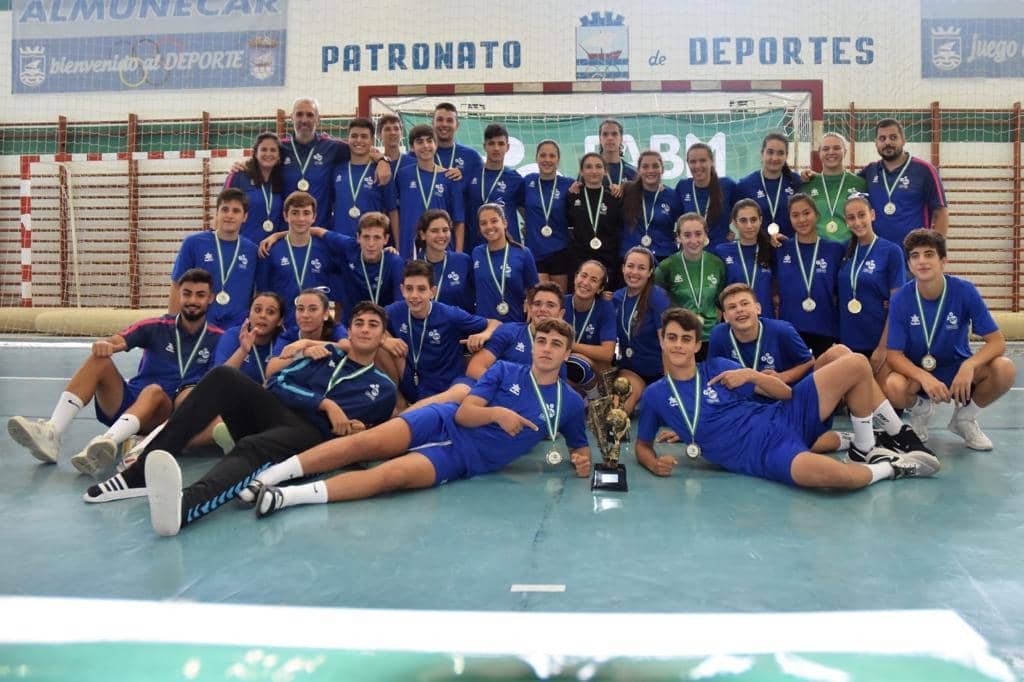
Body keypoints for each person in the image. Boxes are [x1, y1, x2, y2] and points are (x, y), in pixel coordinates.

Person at [238, 318, 591, 519]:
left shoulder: (570, 403)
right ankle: (270, 476)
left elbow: (579, 447)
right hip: (443, 420)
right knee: (364, 443)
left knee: (391, 476)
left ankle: (288, 497)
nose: (545, 348)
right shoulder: (504, 369)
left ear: (567, 353)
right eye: (540, 341)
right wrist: (498, 414)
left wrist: (581, 460)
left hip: (463, 459)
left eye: (555, 344)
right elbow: (467, 415)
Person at [117, 302, 397, 536]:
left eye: (373, 325)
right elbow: (277, 382)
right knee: (223, 376)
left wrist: (356, 429)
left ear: (383, 336)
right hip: (278, 413)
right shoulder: (325, 354)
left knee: (254, 446)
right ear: (348, 330)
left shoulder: (384, 389)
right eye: (359, 323)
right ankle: (139, 471)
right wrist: (323, 403)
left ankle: (184, 506)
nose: (364, 329)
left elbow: (370, 438)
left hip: (312, 439)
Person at [635, 308, 940, 487]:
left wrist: (753, 376)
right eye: (672, 338)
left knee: (856, 363)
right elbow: (642, 446)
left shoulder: (718, 367)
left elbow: (786, 393)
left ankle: (864, 447)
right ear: (661, 340)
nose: (678, 345)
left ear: (696, 346)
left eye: (686, 339)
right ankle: (896, 467)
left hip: (784, 416)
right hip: (763, 454)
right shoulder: (655, 396)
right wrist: (652, 464)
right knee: (838, 479)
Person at [8, 269, 224, 476]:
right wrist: (106, 344)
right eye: (187, 293)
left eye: (200, 295)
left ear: (211, 298)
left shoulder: (219, 337)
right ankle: (52, 432)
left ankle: (107, 442)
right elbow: (118, 340)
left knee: (154, 391)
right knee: (99, 361)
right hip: (128, 403)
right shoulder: (156, 326)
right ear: (179, 294)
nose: (193, 300)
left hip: (164, 413)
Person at [884, 229, 1015, 450]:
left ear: (943, 261)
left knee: (1005, 368)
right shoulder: (900, 299)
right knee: (893, 386)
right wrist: (923, 377)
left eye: (929, 254)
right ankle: (921, 410)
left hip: (956, 369)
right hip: (920, 372)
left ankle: (963, 419)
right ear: (908, 264)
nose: (922, 261)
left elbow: (997, 342)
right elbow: (893, 355)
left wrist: (969, 365)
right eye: (915, 256)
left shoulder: (964, 291)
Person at [384, 260, 498, 404]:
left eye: (421, 289)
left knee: (463, 391)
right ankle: (399, 404)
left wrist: (484, 334)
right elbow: (364, 321)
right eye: (409, 288)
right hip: (412, 382)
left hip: (446, 387)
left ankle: (408, 414)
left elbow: (496, 323)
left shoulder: (450, 314)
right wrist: (385, 340)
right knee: (376, 342)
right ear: (402, 290)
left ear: (433, 291)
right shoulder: (395, 311)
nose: (414, 295)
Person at [279, 97, 390, 228]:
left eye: (310, 115)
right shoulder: (279, 148)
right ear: (292, 118)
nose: (304, 120)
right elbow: (261, 159)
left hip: (322, 231)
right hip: (287, 231)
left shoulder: (332, 147)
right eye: (299, 114)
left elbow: (361, 149)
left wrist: (383, 160)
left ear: (318, 120)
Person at [169, 188, 258, 330]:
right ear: (216, 213)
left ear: (245, 216)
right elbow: (176, 285)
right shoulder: (193, 243)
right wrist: (172, 326)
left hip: (237, 329)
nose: (229, 215)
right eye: (225, 209)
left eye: (236, 211)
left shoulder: (252, 251)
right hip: (200, 326)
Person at [837, 194, 906, 376]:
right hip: (848, 341)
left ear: (872, 215)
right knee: (855, 402)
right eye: (851, 218)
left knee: (885, 399)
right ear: (846, 221)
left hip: (878, 340)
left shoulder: (891, 251)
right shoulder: (843, 251)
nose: (857, 222)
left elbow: (898, 304)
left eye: (862, 215)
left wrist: (883, 347)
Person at [255, 191, 340, 332]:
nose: (301, 219)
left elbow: (338, 294)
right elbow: (263, 293)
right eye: (295, 213)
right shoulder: (271, 250)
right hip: (282, 327)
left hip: (317, 329)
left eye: (306, 213)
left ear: (314, 217)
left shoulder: (326, 249)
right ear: (285, 216)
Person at [773, 193, 845, 357]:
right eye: (795, 215)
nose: (802, 220)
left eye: (806, 213)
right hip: (790, 329)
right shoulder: (780, 248)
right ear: (789, 219)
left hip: (825, 328)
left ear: (817, 215)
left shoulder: (835, 250)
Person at [860, 118, 948, 244]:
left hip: (914, 254)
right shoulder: (869, 171)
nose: (888, 142)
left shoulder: (925, 170)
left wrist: (937, 249)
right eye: (882, 138)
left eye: (893, 137)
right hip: (878, 253)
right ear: (876, 143)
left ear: (903, 140)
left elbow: (941, 212)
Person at [707, 284, 814, 388]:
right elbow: (713, 371)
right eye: (732, 307)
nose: (739, 310)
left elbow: (809, 362)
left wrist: (782, 377)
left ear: (758, 308)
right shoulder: (718, 334)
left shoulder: (782, 330)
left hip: (778, 400)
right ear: (725, 317)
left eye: (744, 303)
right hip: (740, 401)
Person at [654, 213, 725, 352]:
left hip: (711, 336)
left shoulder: (717, 264)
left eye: (698, 234)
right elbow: (657, 303)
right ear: (679, 237)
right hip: (681, 338)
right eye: (687, 235)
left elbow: (720, 301)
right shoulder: (666, 267)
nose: (693, 240)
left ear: (705, 235)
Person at [613, 247, 671, 413]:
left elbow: (666, 344)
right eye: (630, 266)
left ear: (650, 272)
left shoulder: (658, 297)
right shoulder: (616, 298)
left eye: (641, 268)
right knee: (619, 413)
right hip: (632, 370)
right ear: (623, 268)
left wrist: (669, 385)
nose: (634, 272)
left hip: (659, 372)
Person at [393, 124, 466, 258]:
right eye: (420, 142)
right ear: (412, 148)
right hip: (410, 248)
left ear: (436, 144)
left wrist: (458, 253)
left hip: (442, 247)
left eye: (429, 140)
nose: (425, 145)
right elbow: (393, 210)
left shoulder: (450, 177)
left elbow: (459, 220)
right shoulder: (403, 175)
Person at [467, 282, 566, 379]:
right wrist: (506, 391)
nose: (543, 309)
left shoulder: (559, 348)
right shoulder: (509, 331)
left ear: (561, 314)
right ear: (530, 308)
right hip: (496, 392)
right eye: (537, 304)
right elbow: (475, 368)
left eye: (550, 305)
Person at [521, 139, 574, 293]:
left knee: (559, 300)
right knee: (540, 300)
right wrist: (529, 221)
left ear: (558, 159)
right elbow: (518, 204)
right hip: (535, 251)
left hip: (560, 251)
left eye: (552, 156)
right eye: (543, 155)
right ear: (536, 158)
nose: (547, 160)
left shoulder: (569, 184)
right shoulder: (527, 181)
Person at [472, 203, 539, 323]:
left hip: (515, 324)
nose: (489, 226)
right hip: (484, 326)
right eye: (483, 223)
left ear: (504, 223)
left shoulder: (523, 253)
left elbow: (533, 288)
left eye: (494, 221)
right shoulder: (477, 253)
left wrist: (530, 303)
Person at [330, 118, 396, 237]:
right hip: (340, 241)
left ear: (372, 140)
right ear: (348, 139)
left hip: (371, 243)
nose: (359, 140)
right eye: (354, 136)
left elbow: (392, 211)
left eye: (364, 136)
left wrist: (398, 246)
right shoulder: (337, 170)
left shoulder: (382, 171)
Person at [566, 153, 624, 289]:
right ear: (581, 171)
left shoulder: (614, 197)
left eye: (598, 166)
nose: (594, 171)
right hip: (579, 260)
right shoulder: (572, 196)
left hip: (608, 262)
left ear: (605, 171)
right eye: (588, 167)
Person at [464, 123, 525, 252]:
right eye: (491, 143)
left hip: (507, 247)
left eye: (501, 144)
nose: (496, 148)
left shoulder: (515, 179)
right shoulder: (471, 175)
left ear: (507, 147)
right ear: (484, 146)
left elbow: (525, 211)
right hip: (476, 245)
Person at [801, 132, 867, 243]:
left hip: (850, 248)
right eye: (826, 149)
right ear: (819, 153)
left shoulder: (860, 184)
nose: (831, 152)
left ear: (845, 151)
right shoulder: (807, 184)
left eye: (836, 148)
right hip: (817, 249)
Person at [713, 199, 774, 317]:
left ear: (760, 220)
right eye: (743, 221)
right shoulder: (722, 251)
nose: (749, 226)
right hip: (736, 319)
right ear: (734, 223)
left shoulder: (772, 249)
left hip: (766, 318)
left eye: (753, 220)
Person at [563, 260, 616, 393]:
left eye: (593, 280)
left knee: (577, 364)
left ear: (600, 288)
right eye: (583, 275)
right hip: (563, 366)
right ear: (575, 277)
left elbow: (607, 353)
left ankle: (593, 398)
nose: (586, 282)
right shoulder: (560, 303)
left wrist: (570, 345)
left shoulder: (605, 307)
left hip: (595, 371)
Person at [734, 133, 801, 238]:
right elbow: (732, 216)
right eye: (770, 152)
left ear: (786, 156)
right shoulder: (745, 185)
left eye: (780, 153)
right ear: (762, 153)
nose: (774, 158)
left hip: (790, 248)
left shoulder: (797, 181)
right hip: (759, 249)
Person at [620, 150, 682, 261]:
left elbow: (682, 225)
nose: (650, 170)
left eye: (655, 166)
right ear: (638, 170)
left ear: (662, 169)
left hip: (664, 257)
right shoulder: (627, 191)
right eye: (645, 166)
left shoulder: (673, 196)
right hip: (631, 256)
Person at [225, 132, 286, 244]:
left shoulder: (282, 181)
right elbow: (222, 212)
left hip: (272, 249)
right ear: (255, 153)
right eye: (263, 149)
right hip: (243, 247)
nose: (268, 153)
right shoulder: (239, 175)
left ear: (278, 157)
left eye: (273, 150)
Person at [213, 292, 285, 386]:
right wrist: (243, 350)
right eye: (257, 310)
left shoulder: (283, 341)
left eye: (270, 312)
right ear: (249, 314)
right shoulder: (233, 335)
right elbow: (219, 381)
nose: (263, 315)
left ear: (280, 321)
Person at [675, 142, 736, 249]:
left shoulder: (728, 185)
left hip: (720, 250)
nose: (697, 165)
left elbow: (740, 211)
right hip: (691, 251)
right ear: (687, 163)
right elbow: (676, 218)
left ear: (712, 161)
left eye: (702, 160)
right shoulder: (683, 186)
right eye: (693, 161)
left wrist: (731, 229)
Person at [413, 209, 474, 314]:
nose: (441, 235)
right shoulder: (413, 266)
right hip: (426, 327)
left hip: (460, 327)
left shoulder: (463, 261)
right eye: (434, 231)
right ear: (423, 235)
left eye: (445, 230)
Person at [272, 288, 348, 355]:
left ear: (325, 314)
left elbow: (348, 347)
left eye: (312, 309)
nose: (305, 315)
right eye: (300, 309)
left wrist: (306, 343)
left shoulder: (335, 328)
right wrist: (303, 353)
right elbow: (271, 369)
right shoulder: (288, 336)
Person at [597, 118, 637, 189]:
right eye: (605, 134)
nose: (610, 138)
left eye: (614, 134)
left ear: (621, 139)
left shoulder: (633, 172)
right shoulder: (589, 171)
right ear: (600, 139)